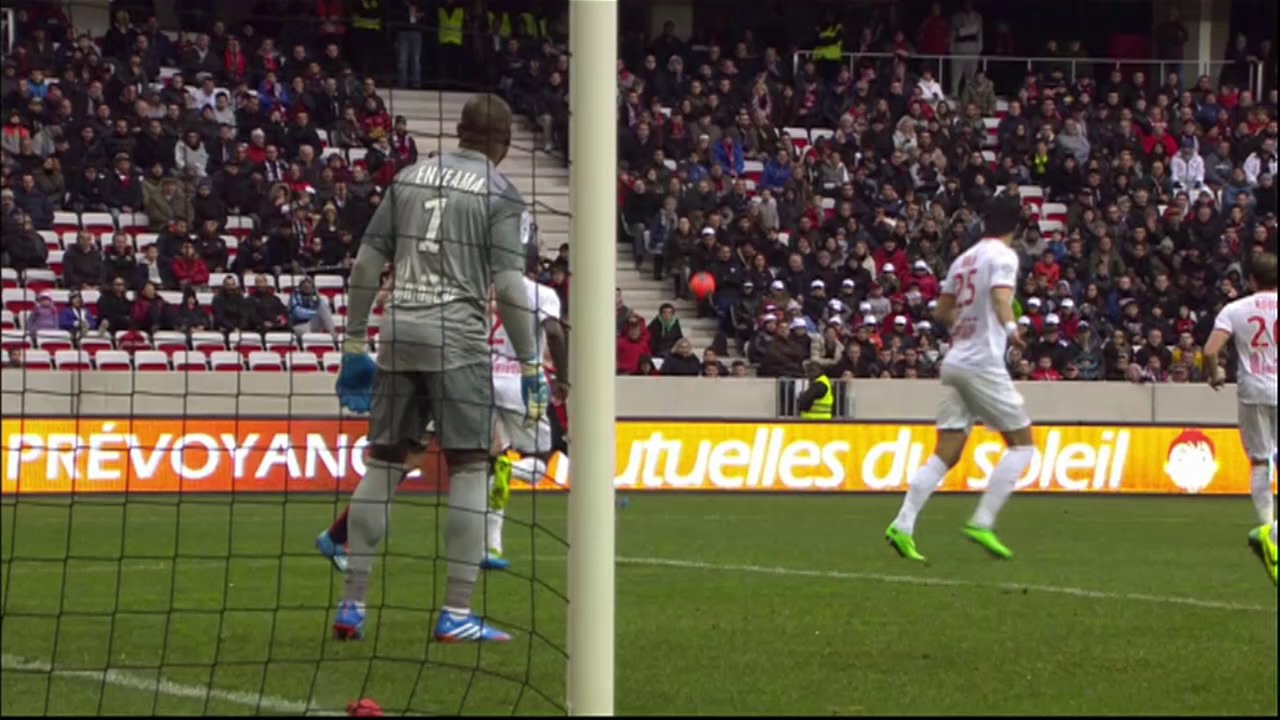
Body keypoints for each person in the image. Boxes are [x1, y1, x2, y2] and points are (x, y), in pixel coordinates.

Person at [326, 95, 546, 644]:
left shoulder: (409, 176)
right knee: (472, 465)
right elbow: (511, 289)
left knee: (385, 460)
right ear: (505, 143)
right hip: (459, 340)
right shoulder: (501, 194)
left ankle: (352, 604)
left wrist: (355, 342)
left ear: (458, 130)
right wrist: (530, 363)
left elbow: (367, 263)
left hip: (399, 331)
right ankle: (456, 612)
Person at [885, 196, 1035, 563]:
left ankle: (902, 525)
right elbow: (1002, 296)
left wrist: (965, 328)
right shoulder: (1003, 256)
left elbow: (940, 311)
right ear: (1015, 227)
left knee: (946, 452)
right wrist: (1011, 328)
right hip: (982, 362)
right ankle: (983, 521)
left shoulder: (963, 259)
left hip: (955, 361)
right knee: (1022, 445)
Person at [1202, 252, 1277, 586]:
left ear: (1251, 280)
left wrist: (1214, 373)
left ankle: (1268, 528)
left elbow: (1209, 350)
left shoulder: (1235, 309)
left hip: (1253, 392)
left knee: (1260, 462)